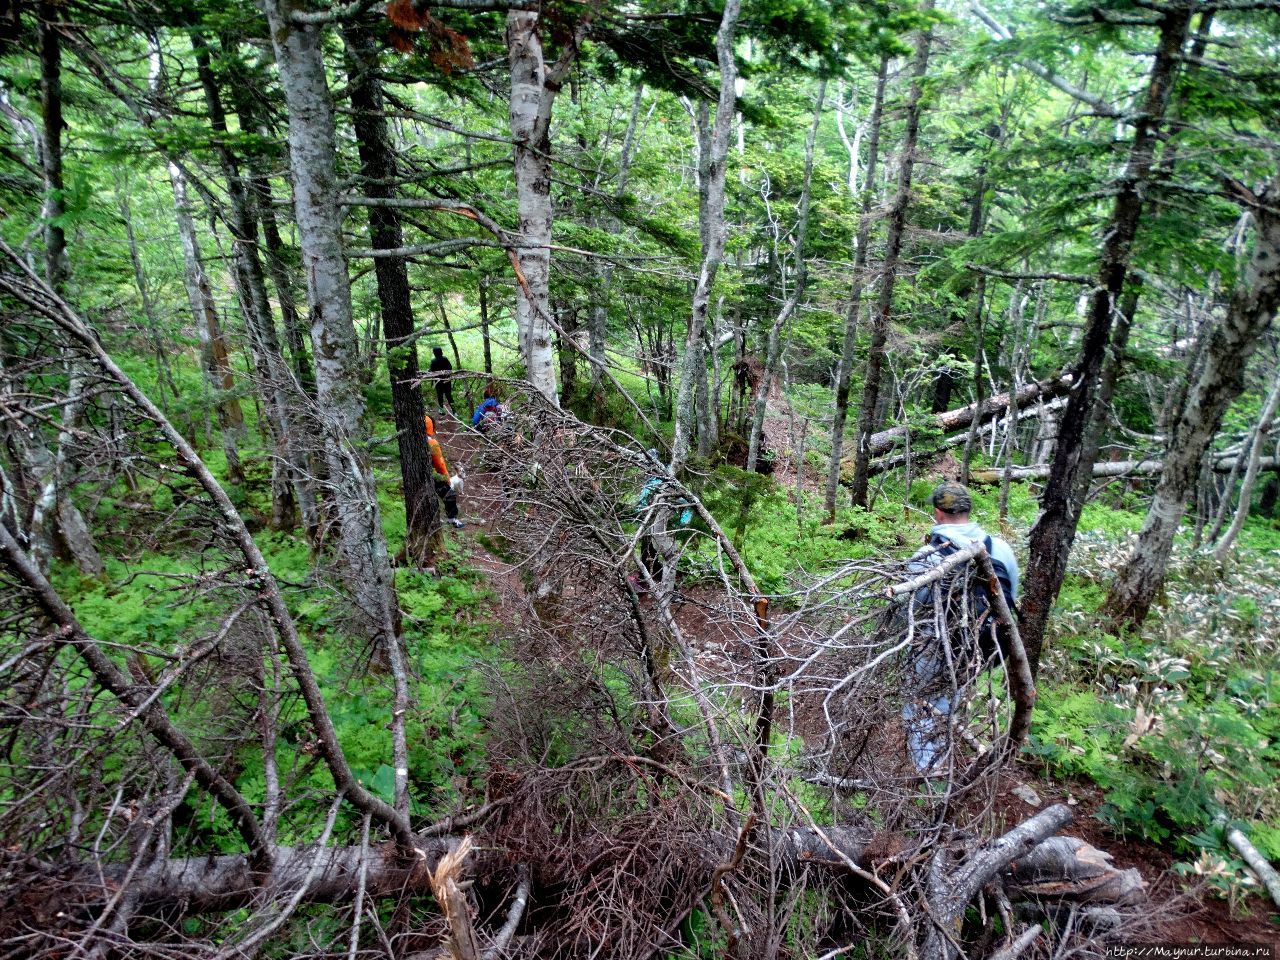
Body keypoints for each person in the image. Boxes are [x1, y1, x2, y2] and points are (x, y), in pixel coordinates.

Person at [901, 482, 1020, 774]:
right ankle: (943, 755)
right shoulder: (1000, 548)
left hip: (934, 646)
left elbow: (909, 607)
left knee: (922, 704)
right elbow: (1010, 600)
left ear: (938, 513)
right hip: (981, 646)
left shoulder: (928, 554)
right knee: (951, 699)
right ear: (967, 511)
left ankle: (927, 772)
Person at [424, 414, 464, 528]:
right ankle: (452, 519)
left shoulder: (411, 441)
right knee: (449, 494)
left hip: (420, 477)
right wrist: (446, 478)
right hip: (432, 475)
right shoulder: (431, 443)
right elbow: (439, 464)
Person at [429, 346, 454, 412]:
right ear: (441, 352)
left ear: (434, 353)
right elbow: (450, 368)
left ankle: (441, 410)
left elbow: (431, 371)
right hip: (446, 380)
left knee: (440, 396)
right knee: (448, 395)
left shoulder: (433, 361)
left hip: (438, 381)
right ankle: (454, 411)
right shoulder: (445, 359)